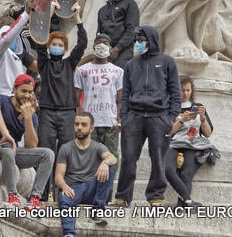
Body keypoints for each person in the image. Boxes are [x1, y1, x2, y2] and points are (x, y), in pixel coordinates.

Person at [114, 26, 180, 207]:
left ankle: (155, 196)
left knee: (158, 158)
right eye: (136, 40)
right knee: (128, 157)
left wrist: (171, 117)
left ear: (151, 40)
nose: (138, 43)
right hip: (133, 117)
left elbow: (175, 91)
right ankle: (122, 197)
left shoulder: (167, 62)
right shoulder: (130, 65)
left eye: (141, 39)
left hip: (159, 117)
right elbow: (125, 94)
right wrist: (124, 117)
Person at [32, 3, 86, 196]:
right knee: (45, 152)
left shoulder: (70, 63)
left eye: (60, 45)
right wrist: (49, 15)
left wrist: (77, 19)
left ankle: (63, 192)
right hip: (47, 113)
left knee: (65, 154)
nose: (56, 47)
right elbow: (38, 42)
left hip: (67, 113)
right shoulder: (44, 64)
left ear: (64, 48)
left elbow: (82, 44)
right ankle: (42, 194)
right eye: (53, 44)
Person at [0, 74, 53, 211]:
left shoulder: (30, 114)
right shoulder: (1, 99)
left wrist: (28, 119)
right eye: (23, 91)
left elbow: (32, 145)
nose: (27, 95)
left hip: (13, 149)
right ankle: (12, 196)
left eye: (30, 92)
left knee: (48, 154)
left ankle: (34, 199)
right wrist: (6, 133)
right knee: (8, 151)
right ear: (14, 90)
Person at [55, 112, 118, 237]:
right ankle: (69, 234)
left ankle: (98, 210)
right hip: (73, 189)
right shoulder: (66, 148)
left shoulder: (98, 147)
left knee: (110, 166)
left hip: (92, 188)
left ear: (91, 128)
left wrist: (105, 163)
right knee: (64, 198)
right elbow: (58, 176)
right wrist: (64, 186)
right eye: (77, 124)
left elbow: (113, 158)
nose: (79, 127)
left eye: (83, 124)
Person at [74, 33, 123, 158]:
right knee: (88, 157)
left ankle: (110, 178)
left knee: (111, 157)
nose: (102, 45)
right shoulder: (82, 70)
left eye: (105, 43)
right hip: (89, 123)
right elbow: (76, 95)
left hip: (110, 122)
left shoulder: (118, 71)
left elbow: (120, 99)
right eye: (99, 43)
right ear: (94, 46)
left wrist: (118, 120)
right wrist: (77, 117)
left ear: (110, 47)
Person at [164, 75, 211, 207]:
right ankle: (188, 201)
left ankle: (182, 205)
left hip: (194, 145)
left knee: (186, 175)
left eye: (188, 90)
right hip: (174, 144)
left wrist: (202, 119)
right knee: (167, 170)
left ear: (192, 91)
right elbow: (168, 132)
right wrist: (181, 120)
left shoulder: (198, 106)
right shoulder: (170, 108)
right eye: (182, 90)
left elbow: (207, 134)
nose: (185, 93)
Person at [0, 0, 35, 99]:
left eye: (14, 38)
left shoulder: (17, 57)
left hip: (16, 98)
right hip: (1, 98)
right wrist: (26, 14)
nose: (11, 40)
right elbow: (7, 39)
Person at [96, 0, 139, 69]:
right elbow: (99, 32)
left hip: (123, 52)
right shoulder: (102, 10)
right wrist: (102, 48)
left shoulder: (130, 4)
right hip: (105, 52)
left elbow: (132, 30)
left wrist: (116, 49)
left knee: (120, 79)